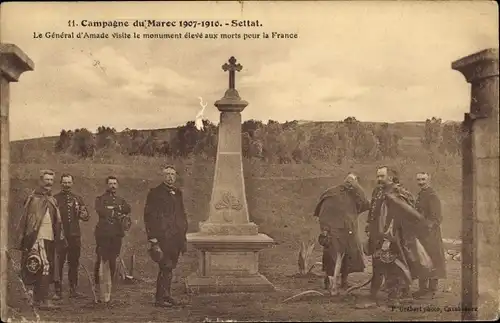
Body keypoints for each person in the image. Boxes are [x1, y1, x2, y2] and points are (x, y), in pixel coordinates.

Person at [365, 166, 432, 306]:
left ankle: (397, 295)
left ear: (390, 177)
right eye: (377, 176)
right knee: (378, 263)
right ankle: (375, 292)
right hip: (378, 233)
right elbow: (373, 210)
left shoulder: (398, 192)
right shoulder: (378, 191)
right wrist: (368, 225)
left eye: (382, 176)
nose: (378, 179)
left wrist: (389, 236)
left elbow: (403, 215)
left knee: (395, 264)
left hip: (395, 235)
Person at [15, 169, 66, 310]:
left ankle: (38, 299)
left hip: (49, 238)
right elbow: (27, 221)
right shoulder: (33, 199)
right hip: (37, 238)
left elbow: (57, 221)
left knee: (46, 267)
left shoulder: (52, 199)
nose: (49, 182)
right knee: (42, 266)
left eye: (51, 180)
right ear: (40, 180)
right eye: (46, 179)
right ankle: (44, 300)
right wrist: (29, 239)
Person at [313, 173, 370, 291]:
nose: (350, 183)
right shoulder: (331, 193)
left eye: (353, 181)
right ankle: (329, 281)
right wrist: (325, 229)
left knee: (349, 256)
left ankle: (344, 281)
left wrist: (356, 187)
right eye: (349, 180)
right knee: (331, 256)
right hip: (333, 231)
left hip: (348, 230)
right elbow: (322, 211)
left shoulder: (355, 195)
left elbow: (365, 204)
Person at [144, 165, 188, 307]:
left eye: (173, 174)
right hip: (163, 236)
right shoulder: (155, 193)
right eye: (167, 174)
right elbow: (149, 216)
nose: (170, 177)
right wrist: (153, 238)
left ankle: (166, 295)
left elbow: (181, 214)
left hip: (176, 236)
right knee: (165, 265)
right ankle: (160, 298)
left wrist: (183, 232)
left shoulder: (177, 192)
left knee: (170, 266)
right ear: (163, 176)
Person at [93, 176, 131, 304]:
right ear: (106, 185)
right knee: (102, 259)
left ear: (118, 185)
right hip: (103, 234)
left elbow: (127, 208)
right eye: (110, 183)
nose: (113, 186)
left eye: (115, 183)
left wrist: (115, 210)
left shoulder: (121, 200)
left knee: (113, 259)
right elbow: (101, 211)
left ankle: (110, 286)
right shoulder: (100, 199)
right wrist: (116, 211)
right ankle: (99, 286)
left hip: (116, 234)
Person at [53, 173, 90, 300]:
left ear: (72, 183)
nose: (66, 185)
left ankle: (73, 290)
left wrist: (82, 212)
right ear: (61, 183)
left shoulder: (78, 198)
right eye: (64, 182)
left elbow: (86, 217)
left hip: (74, 236)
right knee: (59, 263)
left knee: (74, 263)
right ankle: (57, 291)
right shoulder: (55, 199)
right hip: (60, 236)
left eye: (69, 182)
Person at [413, 172, 446, 299]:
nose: (421, 182)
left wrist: (428, 227)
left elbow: (437, 218)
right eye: (419, 179)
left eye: (423, 179)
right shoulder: (421, 194)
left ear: (429, 179)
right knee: (422, 260)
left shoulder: (432, 196)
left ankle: (431, 290)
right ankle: (422, 289)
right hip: (421, 234)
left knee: (433, 259)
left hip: (431, 235)